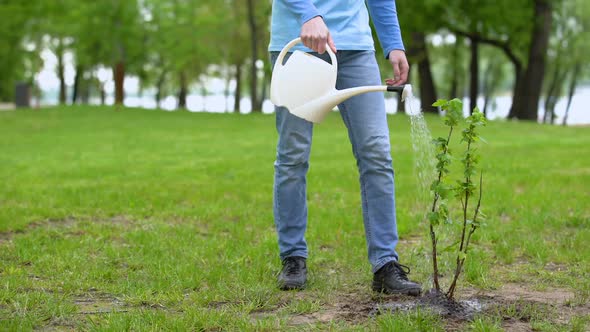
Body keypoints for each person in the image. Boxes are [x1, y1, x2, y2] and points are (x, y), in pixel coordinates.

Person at [269, 0, 421, 296]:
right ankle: (293, 258)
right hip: (299, 40)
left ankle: (385, 263)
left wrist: (393, 43)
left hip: (355, 48)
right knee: (293, 155)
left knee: (376, 153)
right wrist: (309, 13)